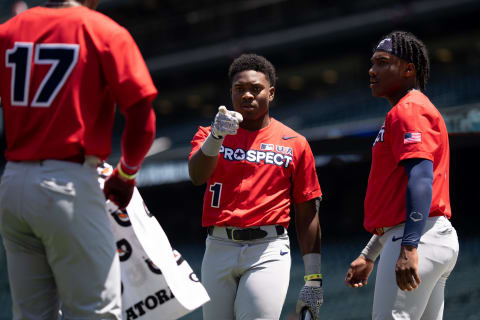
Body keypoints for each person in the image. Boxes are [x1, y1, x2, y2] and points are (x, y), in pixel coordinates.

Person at [0, 0, 156, 318]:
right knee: (96, 311)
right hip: (67, 182)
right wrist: (126, 174)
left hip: (13, 181)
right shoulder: (102, 29)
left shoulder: (7, 31)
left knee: (31, 314)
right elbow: (142, 117)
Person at [188, 53, 324, 320]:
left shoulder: (295, 142)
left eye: (256, 89)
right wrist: (217, 137)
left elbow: (307, 211)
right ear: (231, 93)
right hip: (218, 247)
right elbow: (196, 175)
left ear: (271, 93)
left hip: (268, 249)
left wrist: (313, 279)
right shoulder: (209, 134)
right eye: (240, 89)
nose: (247, 95)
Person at [344, 31, 459, 319]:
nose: (372, 70)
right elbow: (396, 200)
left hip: (417, 237)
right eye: (372, 63)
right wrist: (370, 253)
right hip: (430, 235)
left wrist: (409, 246)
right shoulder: (408, 109)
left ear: (409, 69)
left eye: (383, 62)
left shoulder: (408, 110)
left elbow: (421, 178)